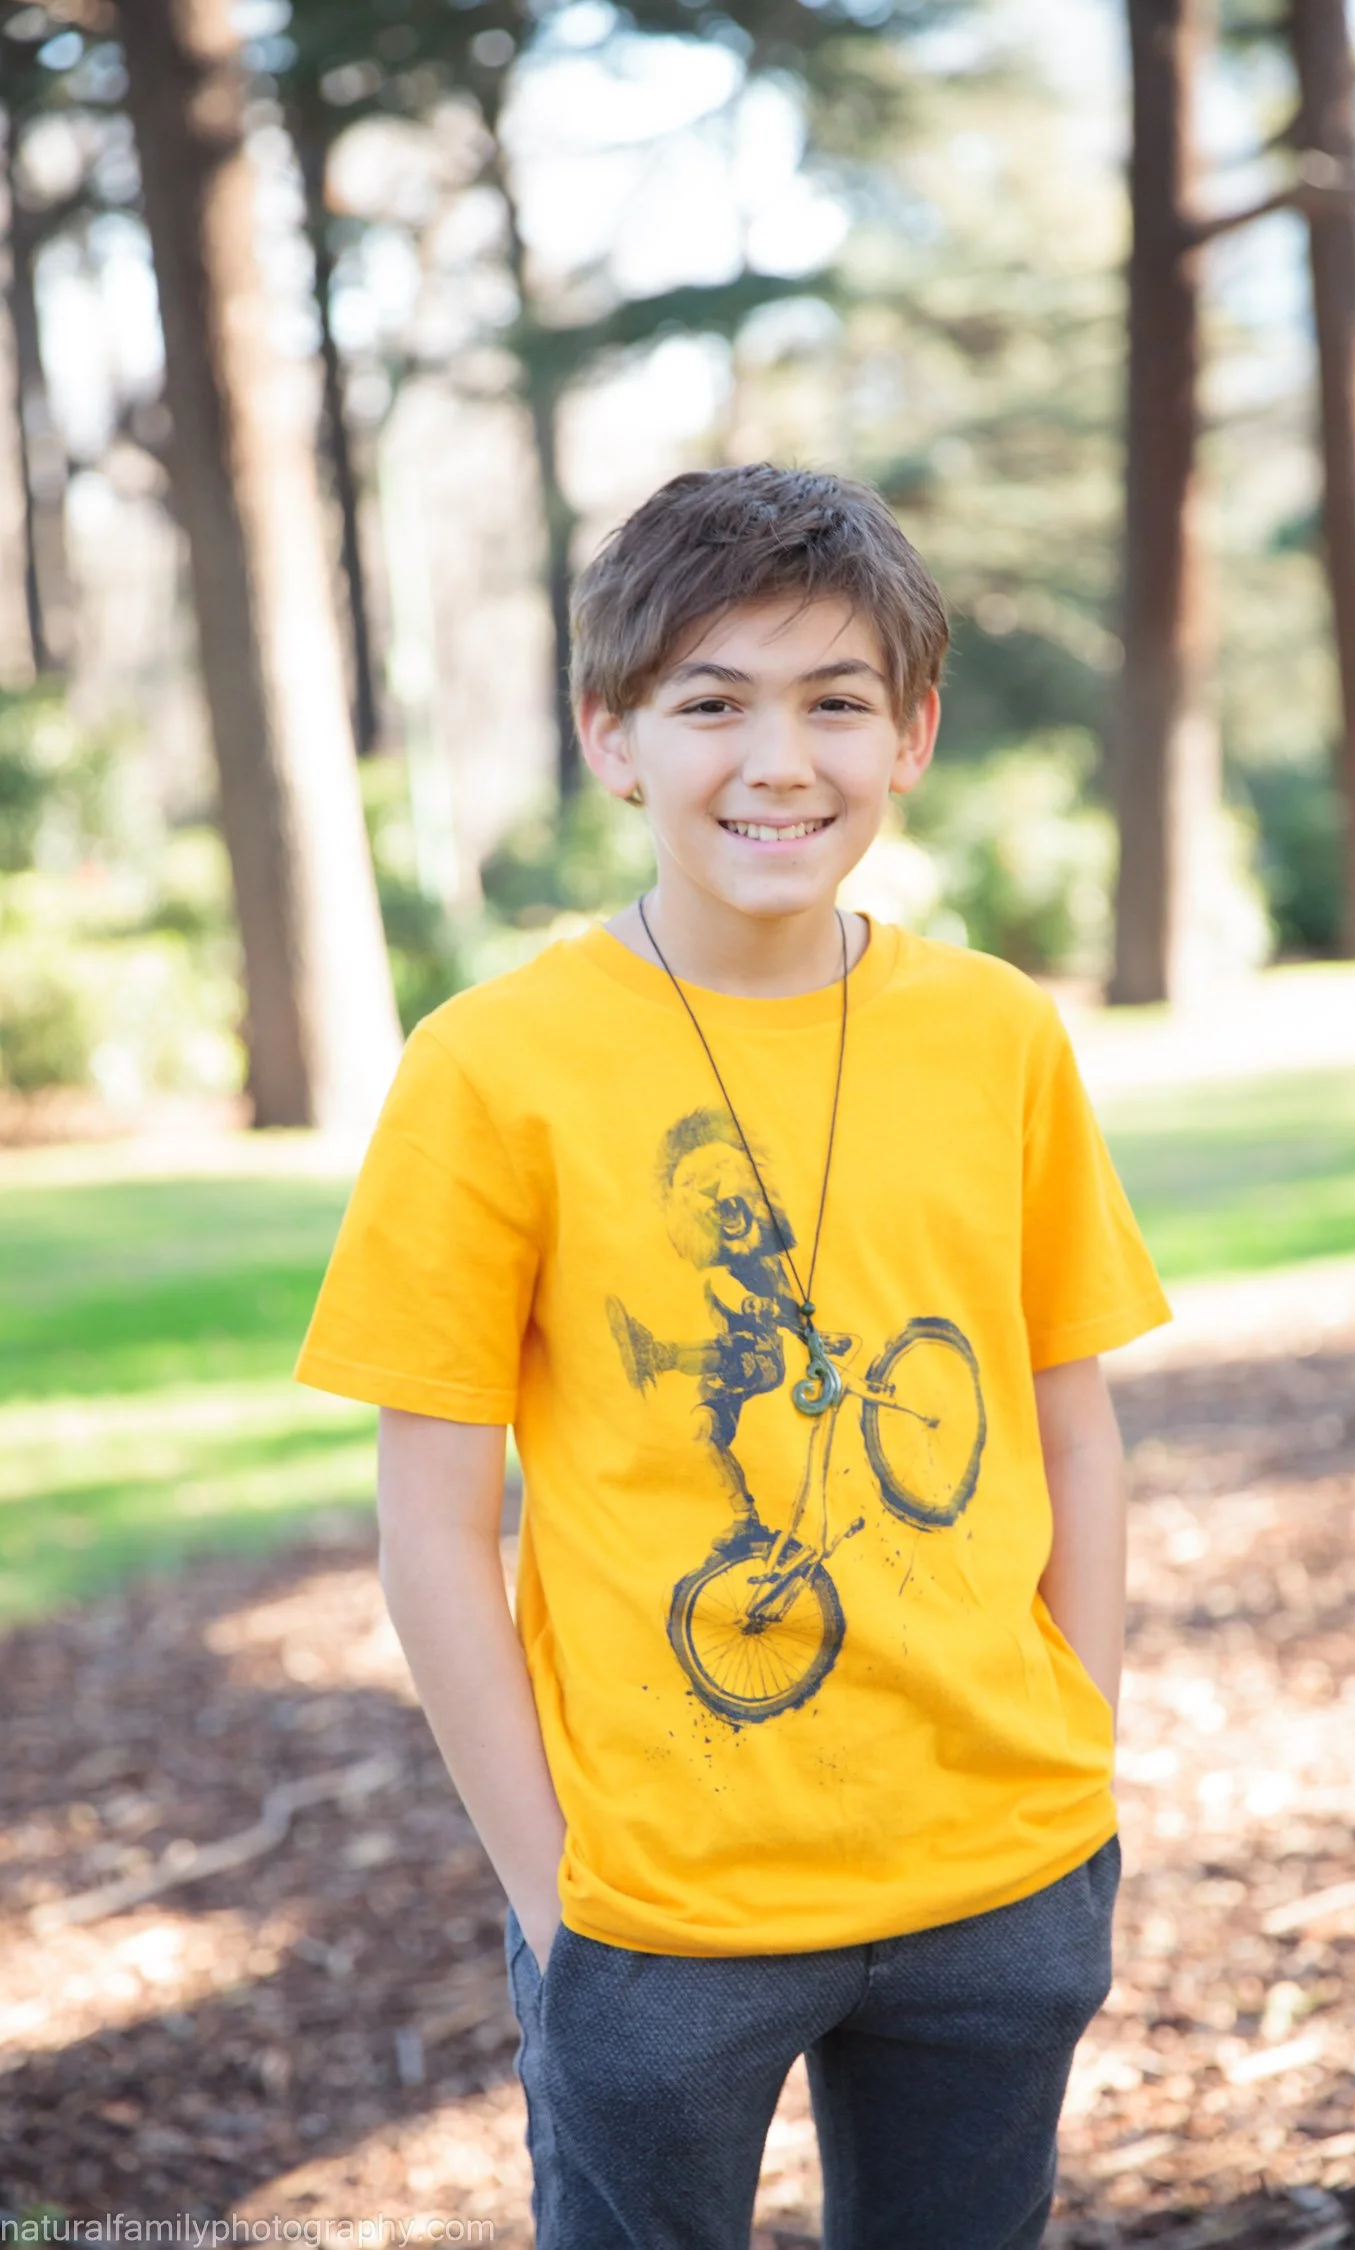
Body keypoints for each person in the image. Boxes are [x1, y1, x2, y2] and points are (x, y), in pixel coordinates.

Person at [295, 464, 1171, 2250]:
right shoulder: (493, 1068)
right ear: (611, 736)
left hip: (1001, 1873)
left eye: (835, 700)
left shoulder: (997, 1035)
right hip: (656, 1913)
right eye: (712, 702)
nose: (779, 761)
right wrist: (559, 1896)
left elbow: (1071, 1425)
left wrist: (1077, 1750)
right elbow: (435, 1526)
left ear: (912, 730)